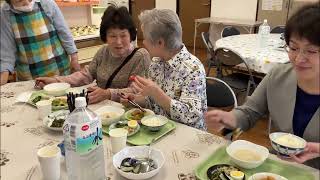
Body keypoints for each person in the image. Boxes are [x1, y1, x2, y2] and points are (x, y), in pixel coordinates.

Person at [205, 4, 319, 168]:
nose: (299, 58)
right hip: (277, 166)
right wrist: (230, 120)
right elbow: (250, 113)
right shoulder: (278, 76)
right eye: (293, 47)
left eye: (311, 51)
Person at [35, 6, 151, 104]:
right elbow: (85, 75)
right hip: (102, 111)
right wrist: (55, 81)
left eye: (123, 35)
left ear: (131, 35)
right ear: (105, 37)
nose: (118, 42)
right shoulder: (103, 52)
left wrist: (108, 94)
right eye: (112, 36)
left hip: (126, 115)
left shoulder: (140, 56)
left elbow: (137, 91)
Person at [126, 9, 207, 130]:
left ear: (160, 43)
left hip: (187, 135)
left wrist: (156, 93)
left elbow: (191, 115)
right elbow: (153, 103)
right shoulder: (156, 62)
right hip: (158, 130)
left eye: (146, 38)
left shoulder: (193, 68)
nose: (144, 42)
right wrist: (135, 100)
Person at [0, 0, 80, 85]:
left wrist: (74, 58)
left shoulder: (46, 3)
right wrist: (3, 78)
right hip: (29, 76)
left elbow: (64, 32)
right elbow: (7, 50)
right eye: (20, 1)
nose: (27, 3)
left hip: (59, 69)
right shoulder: (5, 13)